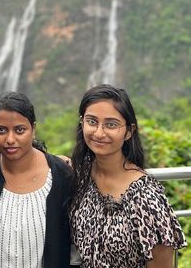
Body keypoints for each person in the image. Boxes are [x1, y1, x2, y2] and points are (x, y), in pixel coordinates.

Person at [70, 84, 187, 268]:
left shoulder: (146, 198)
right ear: (81, 122)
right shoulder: (81, 174)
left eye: (111, 124)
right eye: (92, 121)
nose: (99, 133)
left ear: (129, 131)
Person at [0, 91, 74, 268]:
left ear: (33, 129)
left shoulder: (63, 177)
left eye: (20, 130)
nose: (10, 139)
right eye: (1, 130)